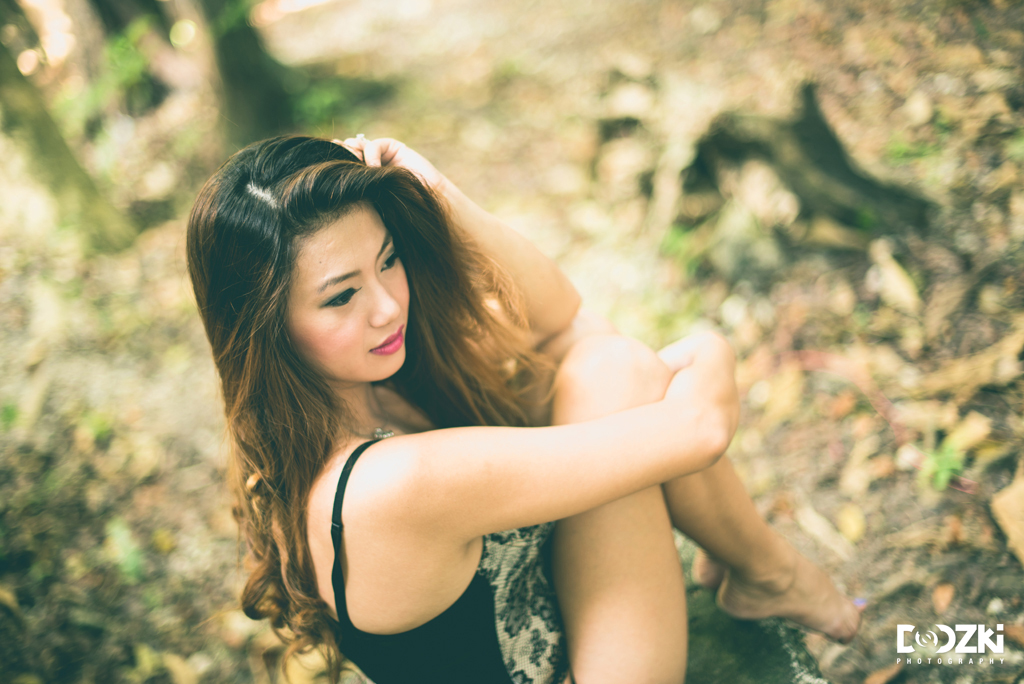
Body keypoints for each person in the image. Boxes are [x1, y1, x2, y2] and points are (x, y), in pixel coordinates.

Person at [186, 135, 862, 684]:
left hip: (568, 637)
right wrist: (713, 346)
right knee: (621, 372)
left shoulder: (359, 395)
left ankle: (761, 573)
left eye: (388, 261)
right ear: (266, 326)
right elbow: (699, 428)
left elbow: (561, 321)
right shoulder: (384, 487)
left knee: (607, 364)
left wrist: (438, 193)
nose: (388, 305)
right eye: (340, 297)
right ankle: (772, 574)